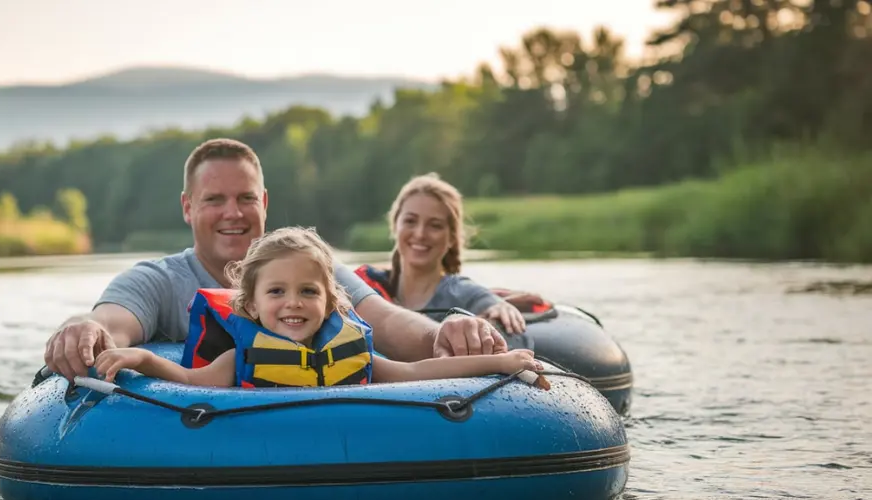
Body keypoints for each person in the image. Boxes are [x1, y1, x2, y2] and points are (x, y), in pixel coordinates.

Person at [44, 139, 508, 382]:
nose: (233, 213)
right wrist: (85, 328)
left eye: (246, 197)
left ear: (264, 202)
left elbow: (387, 325)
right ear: (187, 207)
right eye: (214, 200)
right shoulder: (157, 281)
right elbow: (111, 324)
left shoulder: (316, 272)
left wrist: (446, 331)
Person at [93, 227, 549, 389]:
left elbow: (416, 374)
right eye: (277, 294)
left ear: (330, 300)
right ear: (249, 304)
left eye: (308, 292)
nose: (294, 303)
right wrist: (140, 356)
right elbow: (189, 380)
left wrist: (504, 361)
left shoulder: (354, 356)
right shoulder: (239, 360)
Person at [354, 173, 546, 339]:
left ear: (452, 237)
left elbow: (485, 301)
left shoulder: (463, 292)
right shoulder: (367, 285)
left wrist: (499, 306)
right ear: (395, 225)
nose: (420, 233)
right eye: (411, 221)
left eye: (435, 225)